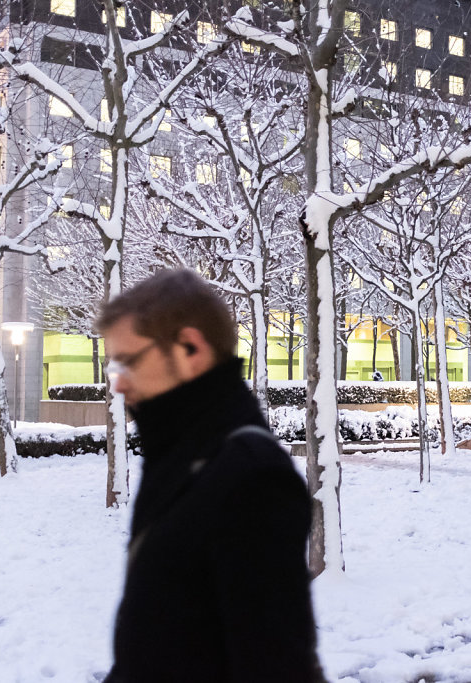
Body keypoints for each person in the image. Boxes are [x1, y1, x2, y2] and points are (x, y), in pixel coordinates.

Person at [98, 269, 324, 683]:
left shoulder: (250, 477)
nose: (118, 384)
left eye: (128, 362)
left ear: (190, 348)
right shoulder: (180, 452)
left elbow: (275, 665)